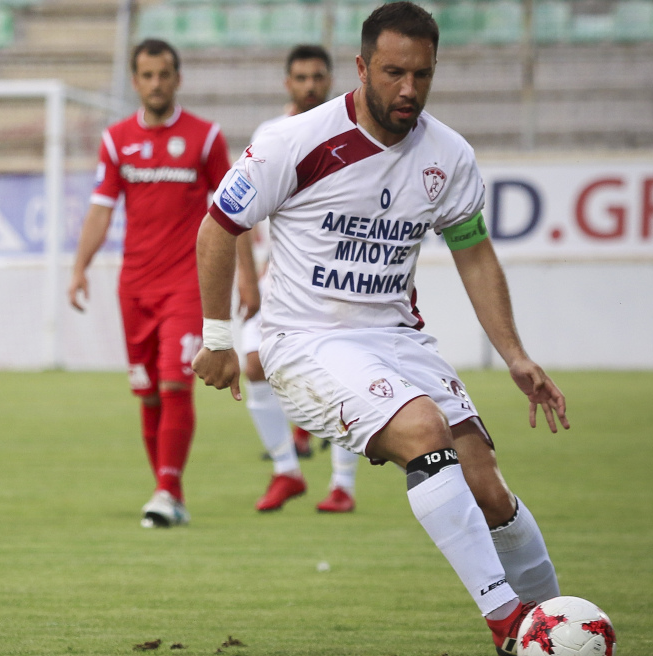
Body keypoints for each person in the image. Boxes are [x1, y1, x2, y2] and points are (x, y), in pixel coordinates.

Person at [192, 4, 566, 654]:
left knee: (489, 489)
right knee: (423, 429)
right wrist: (220, 340)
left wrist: (515, 355)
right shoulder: (296, 142)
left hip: (397, 341)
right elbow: (218, 227)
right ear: (362, 66)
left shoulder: (447, 156)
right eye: (393, 73)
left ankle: (556, 624)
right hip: (304, 343)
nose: (408, 90)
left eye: (422, 75)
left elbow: (473, 251)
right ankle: (508, 624)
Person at [69, 38, 230, 528]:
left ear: (177, 79)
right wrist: (78, 267)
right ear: (135, 81)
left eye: (164, 74)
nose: (156, 83)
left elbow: (233, 211)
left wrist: (243, 278)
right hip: (134, 287)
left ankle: (165, 490)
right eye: (147, 75)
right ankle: (168, 492)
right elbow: (101, 209)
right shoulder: (117, 140)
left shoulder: (205, 137)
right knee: (149, 393)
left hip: (186, 283)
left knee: (175, 382)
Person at [237, 45, 360, 514]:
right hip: (280, 278)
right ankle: (287, 471)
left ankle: (343, 485)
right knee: (253, 362)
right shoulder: (272, 133)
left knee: (345, 375)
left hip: (340, 279)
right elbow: (242, 212)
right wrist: (248, 281)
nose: (310, 85)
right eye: (301, 77)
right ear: (287, 83)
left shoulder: (352, 131)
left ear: (331, 80)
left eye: (317, 77)